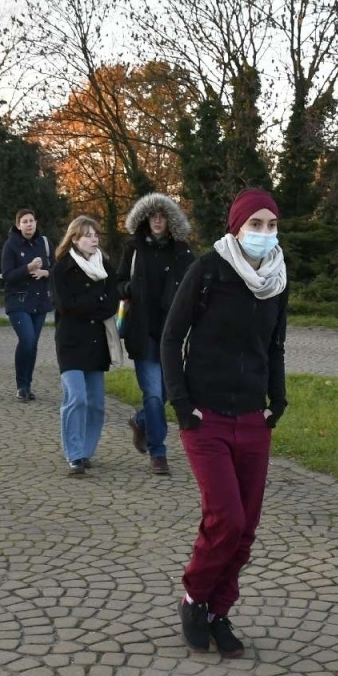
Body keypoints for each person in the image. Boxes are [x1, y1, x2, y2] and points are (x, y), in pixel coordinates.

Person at [163, 188, 289, 660]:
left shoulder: (277, 278)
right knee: (226, 519)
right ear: (236, 227)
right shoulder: (209, 270)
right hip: (206, 418)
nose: (263, 234)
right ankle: (193, 599)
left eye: (271, 225)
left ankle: (219, 610)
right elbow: (171, 337)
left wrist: (278, 401)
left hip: (253, 418)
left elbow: (275, 345)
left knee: (246, 527)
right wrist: (181, 404)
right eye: (254, 225)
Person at [119, 193, 195, 474]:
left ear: (170, 221)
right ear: (145, 219)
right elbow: (119, 280)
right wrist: (128, 289)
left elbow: (195, 286)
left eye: (163, 217)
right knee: (152, 393)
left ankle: (141, 422)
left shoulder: (182, 251)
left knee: (165, 394)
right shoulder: (134, 248)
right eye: (153, 216)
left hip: (172, 333)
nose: (158, 221)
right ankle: (158, 452)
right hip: (142, 331)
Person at [51, 215, 118, 475]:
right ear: (75, 239)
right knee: (76, 397)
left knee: (96, 404)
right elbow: (66, 305)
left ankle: (87, 452)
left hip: (96, 343)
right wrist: (96, 301)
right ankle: (74, 454)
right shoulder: (61, 268)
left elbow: (112, 303)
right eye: (88, 235)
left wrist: (91, 303)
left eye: (96, 234)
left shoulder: (107, 268)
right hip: (70, 342)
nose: (94, 239)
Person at [0, 209, 54, 402]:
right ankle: (21, 385)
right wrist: (28, 268)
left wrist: (45, 273)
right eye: (25, 221)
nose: (29, 224)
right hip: (18, 301)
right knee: (27, 341)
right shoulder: (11, 245)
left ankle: (28, 385)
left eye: (31, 220)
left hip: (40, 301)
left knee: (33, 345)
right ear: (18, 225)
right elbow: (7, 276)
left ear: (36, 223)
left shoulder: (44, 243)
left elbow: (55, 268)